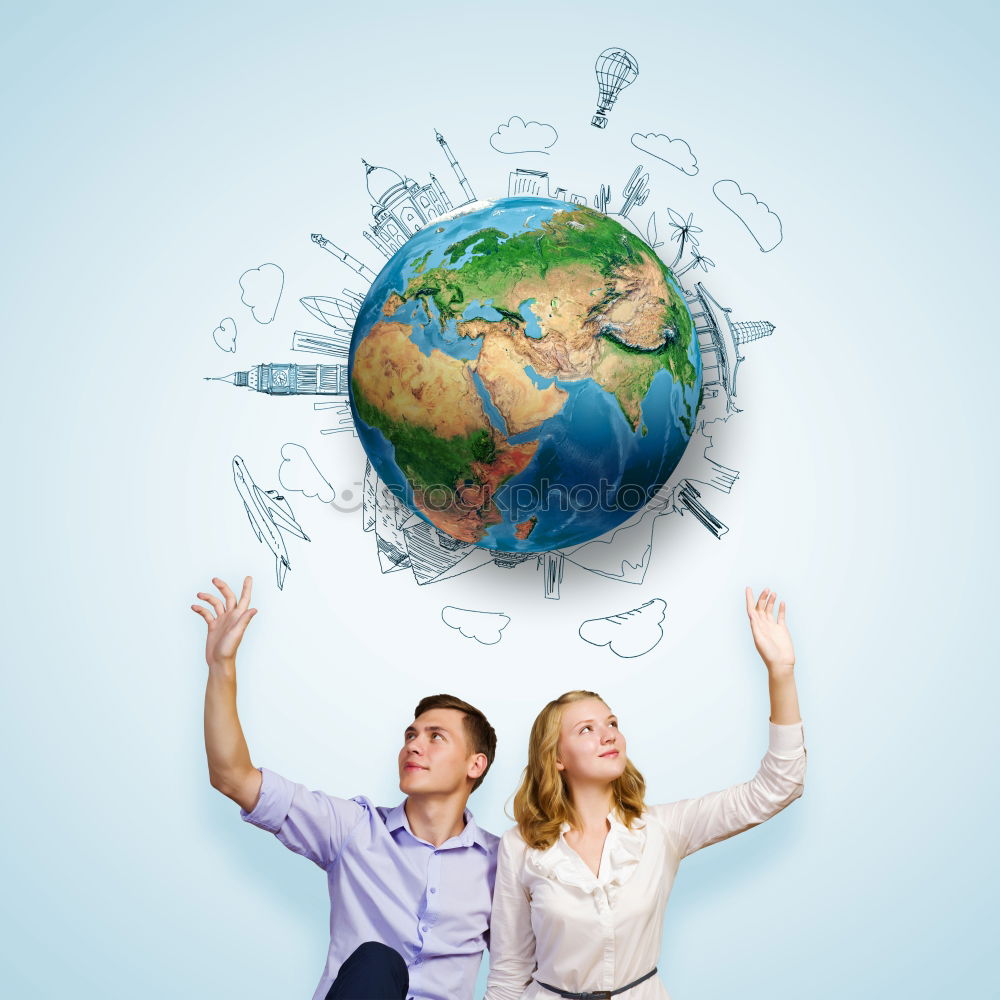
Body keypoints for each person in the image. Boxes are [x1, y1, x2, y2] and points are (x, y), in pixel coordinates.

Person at [484, 586, 807, 1000]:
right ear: (557, 758)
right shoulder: (520, 846)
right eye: (587, 729)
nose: (608, 735)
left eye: (612, 723)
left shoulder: (663, 828)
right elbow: (509, 973)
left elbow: (778, 787)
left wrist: (781, 671)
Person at [191, 575, 500, 1000]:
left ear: (475, 764)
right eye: (410, 735)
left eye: (435, 737)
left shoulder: (503, 864)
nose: (414, 745)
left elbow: (526, 965)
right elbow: (233, 776)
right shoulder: (354, 828)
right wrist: (221, 666)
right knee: (378, 960)